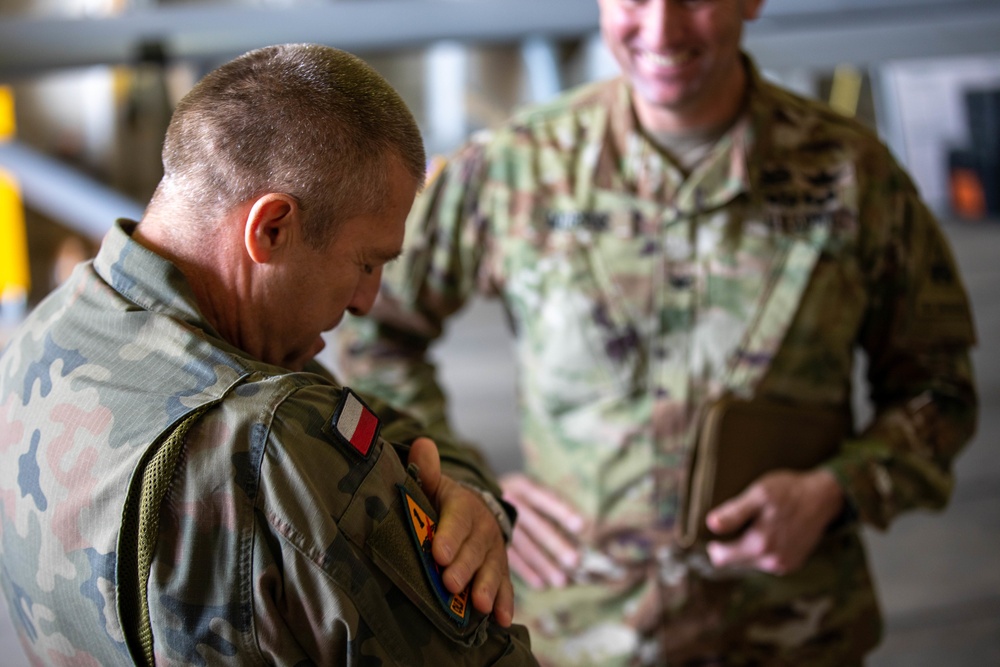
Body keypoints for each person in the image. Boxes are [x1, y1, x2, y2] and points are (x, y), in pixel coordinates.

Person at [335, 0, 980, 664]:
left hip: (792, 630)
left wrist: (836, 490)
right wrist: (464, 482)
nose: (663, 29)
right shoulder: (517, 168)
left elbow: (940, 393)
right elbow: (374, 329)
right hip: (574, 636)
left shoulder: (852, 178)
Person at [0, 43, 538, 666]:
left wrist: (464, 487)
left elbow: (367, 418)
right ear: (271, 228)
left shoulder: (46, 335)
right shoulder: (271, 441)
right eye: (366, 263)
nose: (368, 301)